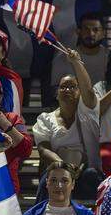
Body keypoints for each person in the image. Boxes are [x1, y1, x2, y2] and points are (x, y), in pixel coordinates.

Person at [32, 49, 102, 191]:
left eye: (73, 87)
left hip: (86, 170)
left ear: (79, 92)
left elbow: (88, 90)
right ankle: (40, 212)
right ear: (56, 94)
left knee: (92, 176)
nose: (67, 90)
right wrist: (64, 167)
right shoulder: (45, 119)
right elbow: (43, 149)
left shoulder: (88, 113)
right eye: (63, 87)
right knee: (49, 177)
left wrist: (76, 63)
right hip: (58, 169)